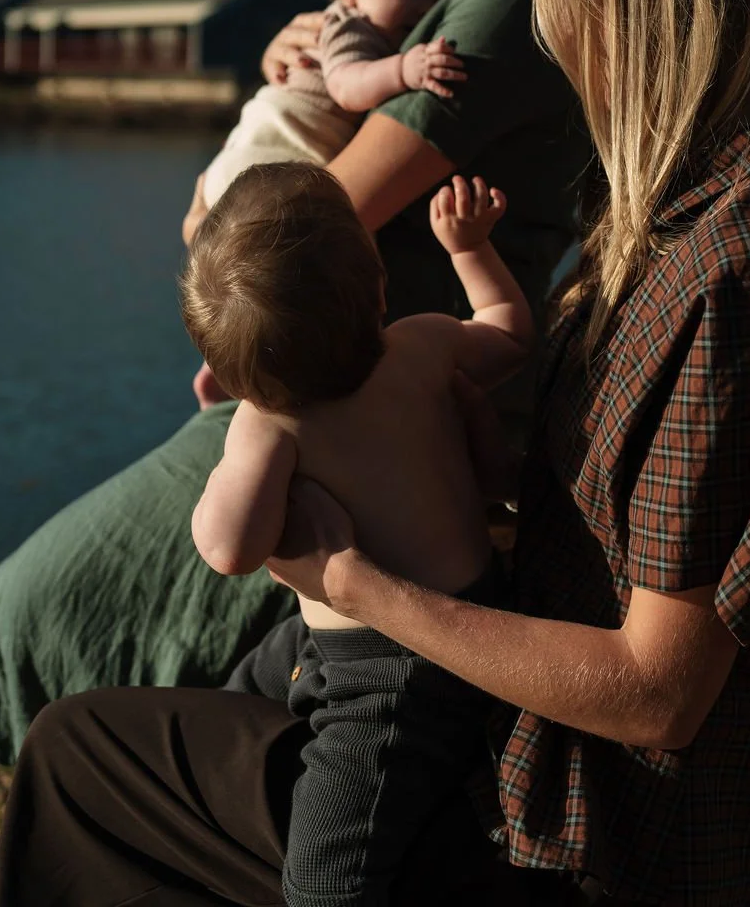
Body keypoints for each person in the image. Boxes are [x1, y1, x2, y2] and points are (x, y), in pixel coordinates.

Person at [0, 0, 750, 905]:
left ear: (638, 5)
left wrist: (354, 579)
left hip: (607, 838)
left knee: (84, 762)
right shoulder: (722, 211)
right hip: (572, 770)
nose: (552, 36)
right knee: (144, 731)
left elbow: (656, 698)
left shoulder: (743, 276)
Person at [0, 0, 630, 767]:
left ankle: (117, 815)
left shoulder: (507, 2)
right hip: (349, 376)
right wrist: (315, 62)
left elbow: (312, 216)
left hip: (369, 398)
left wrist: (217, 191)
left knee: (34, 608)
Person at [179, 161, 528, 907]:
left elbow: (228, 548)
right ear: (376, 287)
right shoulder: (425, 344)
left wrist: (233, 447)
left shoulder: (267, 425)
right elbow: (508, 337)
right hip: (450, 613)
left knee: (325, 882)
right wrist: (470, 251)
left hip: (393, 680)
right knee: (253, 684)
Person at [188, 0, 463, 408]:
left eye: (437, 0)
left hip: (239, 168)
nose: (423, 9)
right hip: (268, 160)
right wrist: (406, 68)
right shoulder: (351, 30)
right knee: (349, 245)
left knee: (249, 304)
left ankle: (218, 373)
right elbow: (346, 86)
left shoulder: (352, 27)